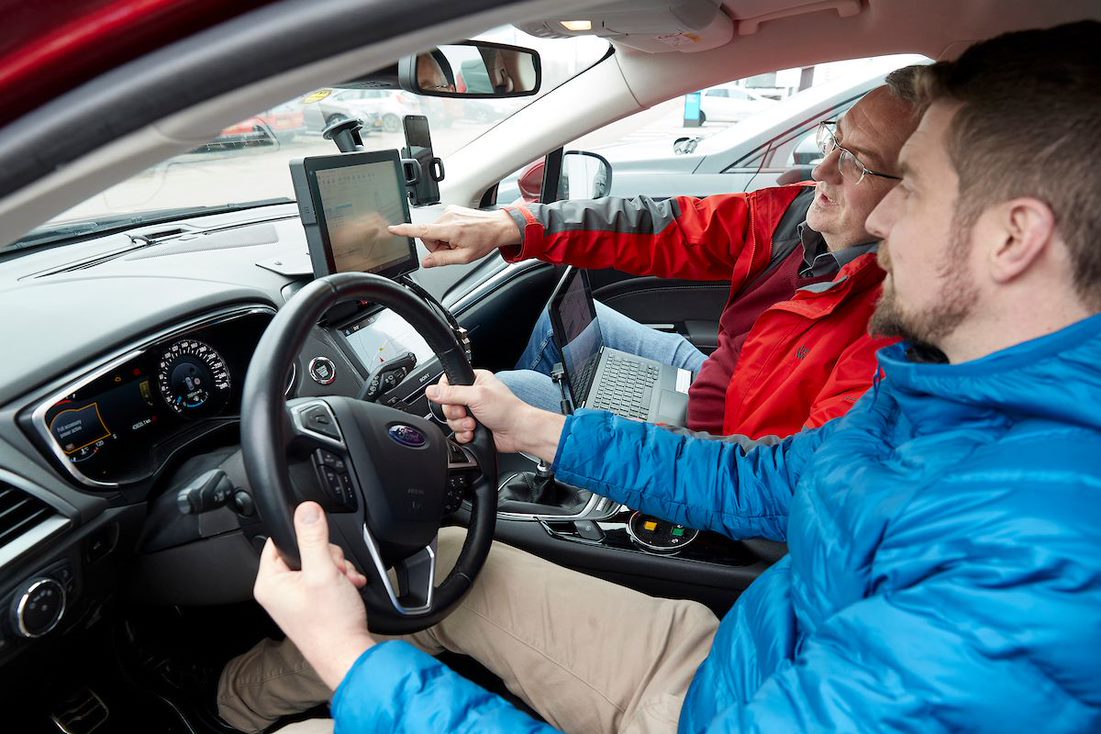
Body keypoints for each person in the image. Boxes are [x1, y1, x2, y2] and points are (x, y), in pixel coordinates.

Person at [253, 20, 1101, 733]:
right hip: (749, 658)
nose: (876, 220)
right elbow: (771, 475)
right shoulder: (952, 394)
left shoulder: (1033, 569)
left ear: (1010, 239)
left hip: (713, 702)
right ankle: (225, 702)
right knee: (439, 562)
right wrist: (541, 432)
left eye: (907, 188)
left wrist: (348, 659)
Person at [390, 69, 921, 439]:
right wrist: (512, 225)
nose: (820, 170)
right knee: (572, 322)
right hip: (717, 385)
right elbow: (665, 226)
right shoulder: (793, 218)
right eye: (833, 141)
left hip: (715, 448)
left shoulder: (894, 320)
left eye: (856, 161)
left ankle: (544, 480)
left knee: (510, 392)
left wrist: (552, 435)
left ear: (921, 192)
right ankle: (540, 473)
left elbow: (774, 479)